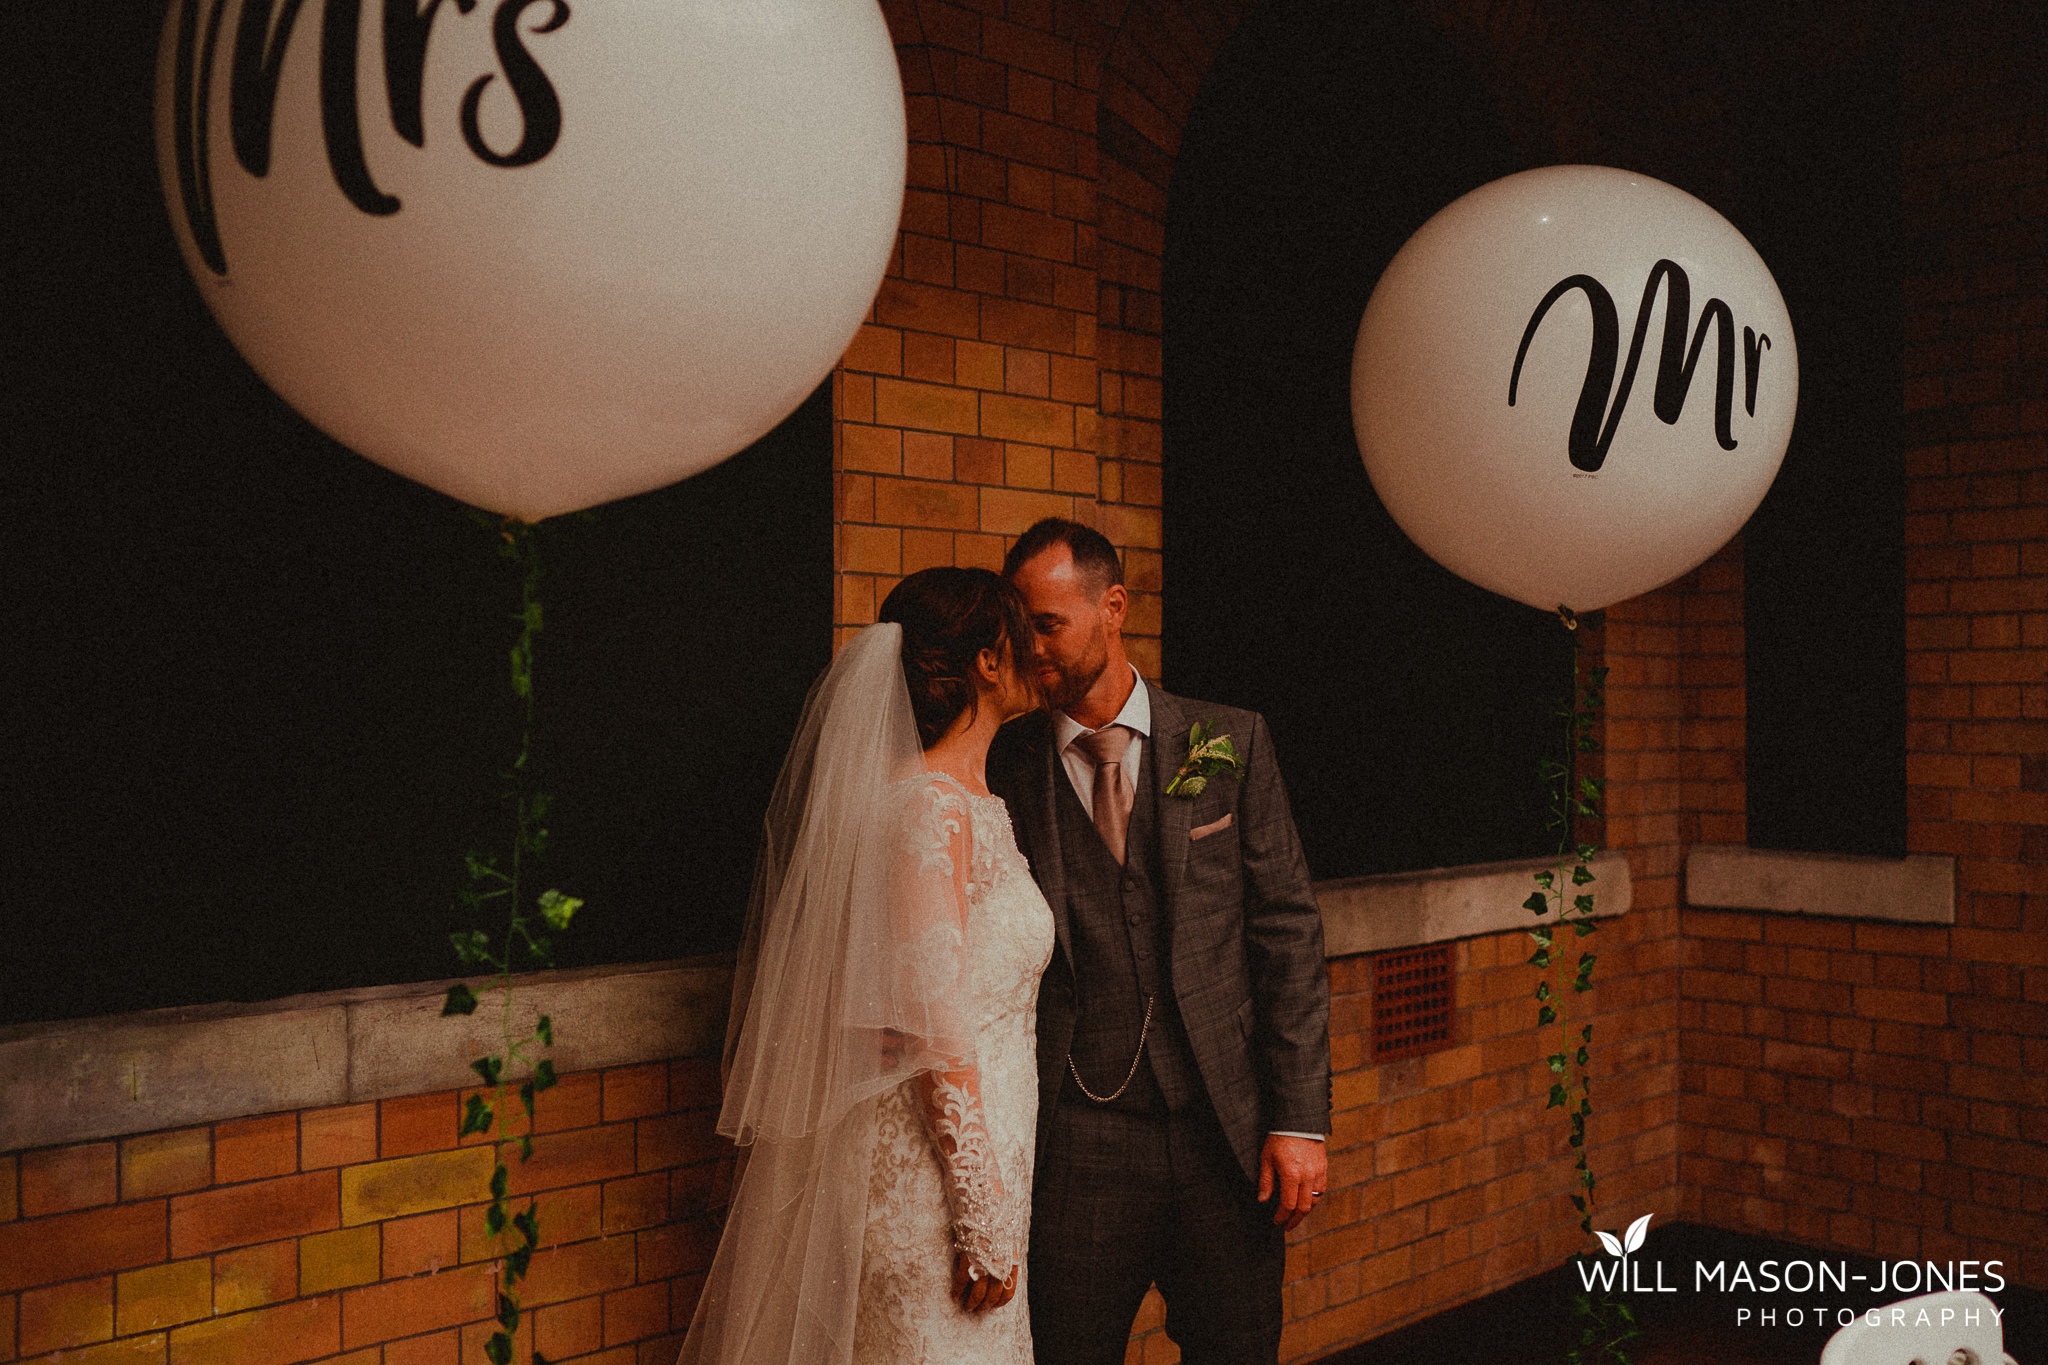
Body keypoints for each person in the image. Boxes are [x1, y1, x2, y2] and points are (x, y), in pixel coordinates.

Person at [680, 567, 1054, 1365]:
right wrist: (979, 1213)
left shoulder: (972, 799)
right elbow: (933, 1013)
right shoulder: (927, 806)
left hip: (988, 1163)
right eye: (1023, 631)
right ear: (988, 662)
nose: (1038, 650)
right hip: (932, 1188)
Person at [988, 519, 1331, 1365]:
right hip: (1077, 1143)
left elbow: (1286, 931)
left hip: (1227, 1135)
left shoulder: (1231, 741)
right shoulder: (1001, 763)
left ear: (1113, 608)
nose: (1030, 646)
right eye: (1019, 624)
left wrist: (1298, 1119)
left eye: (1047, 623)